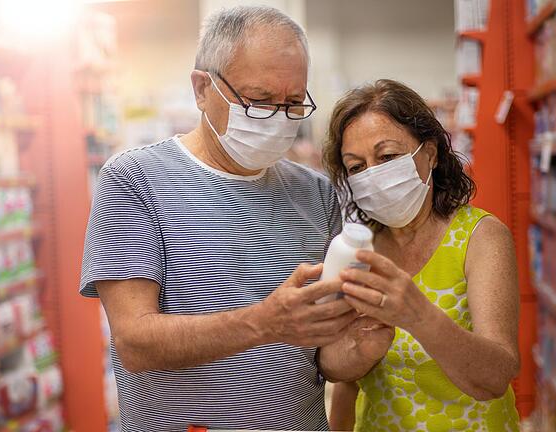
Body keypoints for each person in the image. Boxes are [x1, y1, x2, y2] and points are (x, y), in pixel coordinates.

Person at [79, 6, 392, 431]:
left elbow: (322, 354)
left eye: (293, 103)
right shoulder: (134, 181)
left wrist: (359, 344)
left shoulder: (315, 192)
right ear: (202, 89)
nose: (279, 118)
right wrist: (265, 322)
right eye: (260, 100)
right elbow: (135, 342)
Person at [322, 79, 521, 432]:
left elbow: (496, 377)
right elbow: (340, 377)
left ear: (429, 154)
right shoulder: (359, 250)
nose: (373, 175)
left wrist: (418, 316)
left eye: (387, 157)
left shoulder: (479, 237)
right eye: (356, 167)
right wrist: (358, 351)